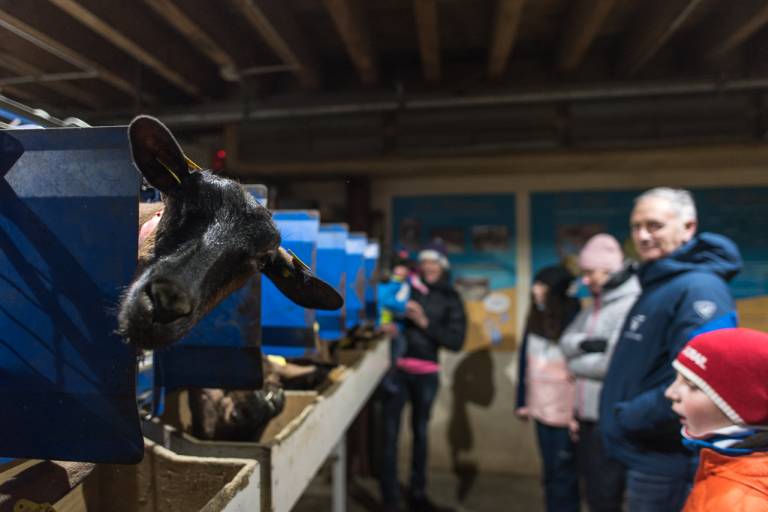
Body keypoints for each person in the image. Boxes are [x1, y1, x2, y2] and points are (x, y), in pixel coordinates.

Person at [600, 187, 743, 511]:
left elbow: (705, 379)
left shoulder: (699, 288)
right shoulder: (660, 283)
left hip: (663, 458)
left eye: (655, 225)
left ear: (688, 227)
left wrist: (631, 417)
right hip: (640, 449)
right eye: (636, 226)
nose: (642, 236)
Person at [380, 247, 467, 512]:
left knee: (420, 434)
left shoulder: (451, 297)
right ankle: (390, 498)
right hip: (396, 371)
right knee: (389, 435)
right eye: (425, 263)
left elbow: (456, 341)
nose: (429, 267)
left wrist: (424, 322)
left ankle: (418, 493)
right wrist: (387, 325)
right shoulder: (408, 288)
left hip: (426, 374)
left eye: (434, 263)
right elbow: (385, 305)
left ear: (443, 267)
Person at [560, 234, 640, 512]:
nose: (585, 280)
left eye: (589, 272)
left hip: (608, 417)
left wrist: (573, 364)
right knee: (593, 492)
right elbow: (565, 342)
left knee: (606, 495)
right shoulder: (594, 305)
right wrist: (585, 344)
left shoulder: (630, 305)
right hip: (585, 416)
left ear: (608, 270)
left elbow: (612, 365)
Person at [664, 328, 768, 511]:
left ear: (745, 403)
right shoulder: (726, 459)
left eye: (692, 385)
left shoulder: (741, 502)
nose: (670, 393)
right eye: (676, 379)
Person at [516, 264, 581, 512]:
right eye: (536, 284)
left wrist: (578, 413)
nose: (535, 290)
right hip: (540, 409)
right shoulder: (535, 319)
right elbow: (524, 362)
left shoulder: (575, 320)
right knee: (550, 472)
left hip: (566, 414)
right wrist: (521, 401)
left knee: (565, 474)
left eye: (542, 285)